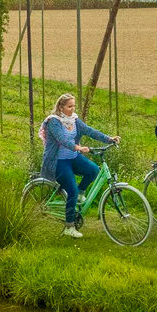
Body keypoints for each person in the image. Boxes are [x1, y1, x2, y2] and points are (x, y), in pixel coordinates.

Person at [38, 93, 120, 238]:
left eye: (74, 106)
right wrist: (78, 148)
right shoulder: (53, 122)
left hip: (73, 158)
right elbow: (62, 139)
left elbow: (89, 131)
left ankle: (81, 193)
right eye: (69, 106)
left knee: (93, 170)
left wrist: (109, 139)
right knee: (72, 191)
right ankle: (69, 226)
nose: (73, 109)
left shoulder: (74, 120)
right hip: (58, 161)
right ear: (61, 107)